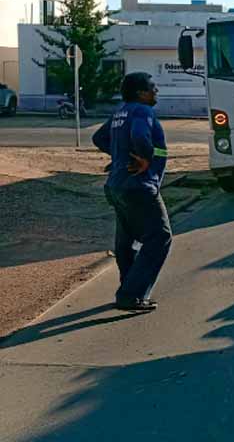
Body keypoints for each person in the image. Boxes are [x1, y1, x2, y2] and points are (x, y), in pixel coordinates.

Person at [92, 72, 171, 312]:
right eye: (152, 87)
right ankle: (131, 294)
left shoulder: (120, 111)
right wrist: (145, 158)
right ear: (140, 92)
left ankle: (128, 287)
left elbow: (98, 137)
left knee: (126, 243)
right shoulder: (142, 111)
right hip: (140, 187)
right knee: (160, 237)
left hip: (117, 187)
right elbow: (139, 135)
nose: (156, 91)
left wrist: (120, 156)